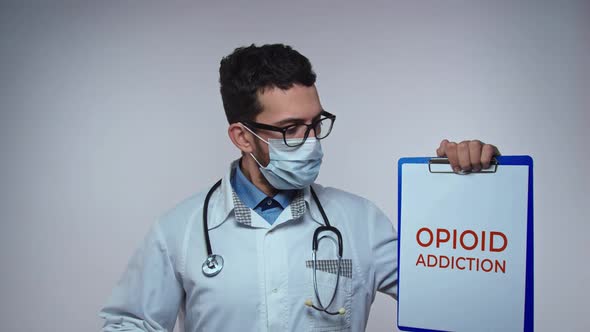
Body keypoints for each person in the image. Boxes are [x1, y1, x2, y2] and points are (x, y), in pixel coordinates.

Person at [98, 44, 499, 332]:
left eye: (316, 124)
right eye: (291, 129)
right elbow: (129, 325)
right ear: (242, 136)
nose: (311, 142)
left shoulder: (362, 222)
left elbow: (458, 300)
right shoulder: (178, 232)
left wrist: (467, 193)